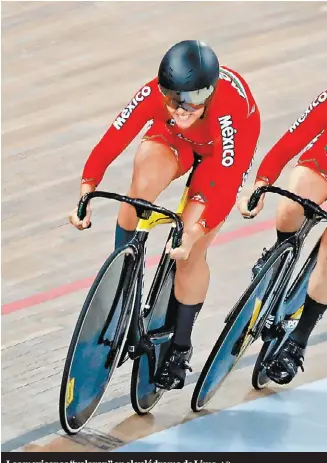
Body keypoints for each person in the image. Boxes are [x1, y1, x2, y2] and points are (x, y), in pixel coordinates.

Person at [70, 40, 261, 390]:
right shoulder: (156, 98)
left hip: (222, 155)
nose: (181, 107)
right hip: (176, 141)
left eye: (193, 99)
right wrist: (87, 187)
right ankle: (123, 284)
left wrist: (195, 230)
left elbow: (227, 182)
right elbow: (113, 139)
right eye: (173, 98)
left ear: (211, 91)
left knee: (191, 248)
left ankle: (180, 347)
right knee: (136, 195)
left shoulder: (229, 109)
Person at [238, 89, 327, 385]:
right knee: (290, 208)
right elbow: (291, 142)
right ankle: (279, 252)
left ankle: (297, 342)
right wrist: (260, 184)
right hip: (321, 167)